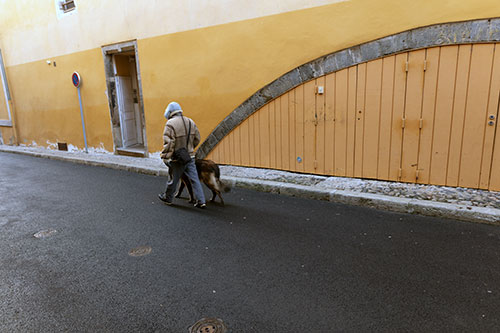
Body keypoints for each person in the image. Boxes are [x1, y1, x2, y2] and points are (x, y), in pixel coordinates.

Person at [158, 102, 206, 208]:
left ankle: (168, 198)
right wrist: (190, 148)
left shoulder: (170, 123)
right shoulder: (190, 121)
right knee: (194, 179)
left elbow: (169, 143)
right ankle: (201, 201)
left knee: (173, 179)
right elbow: (197, 138)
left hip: (177, 158)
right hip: (190, 156)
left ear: (170, 112)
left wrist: (166, 156)